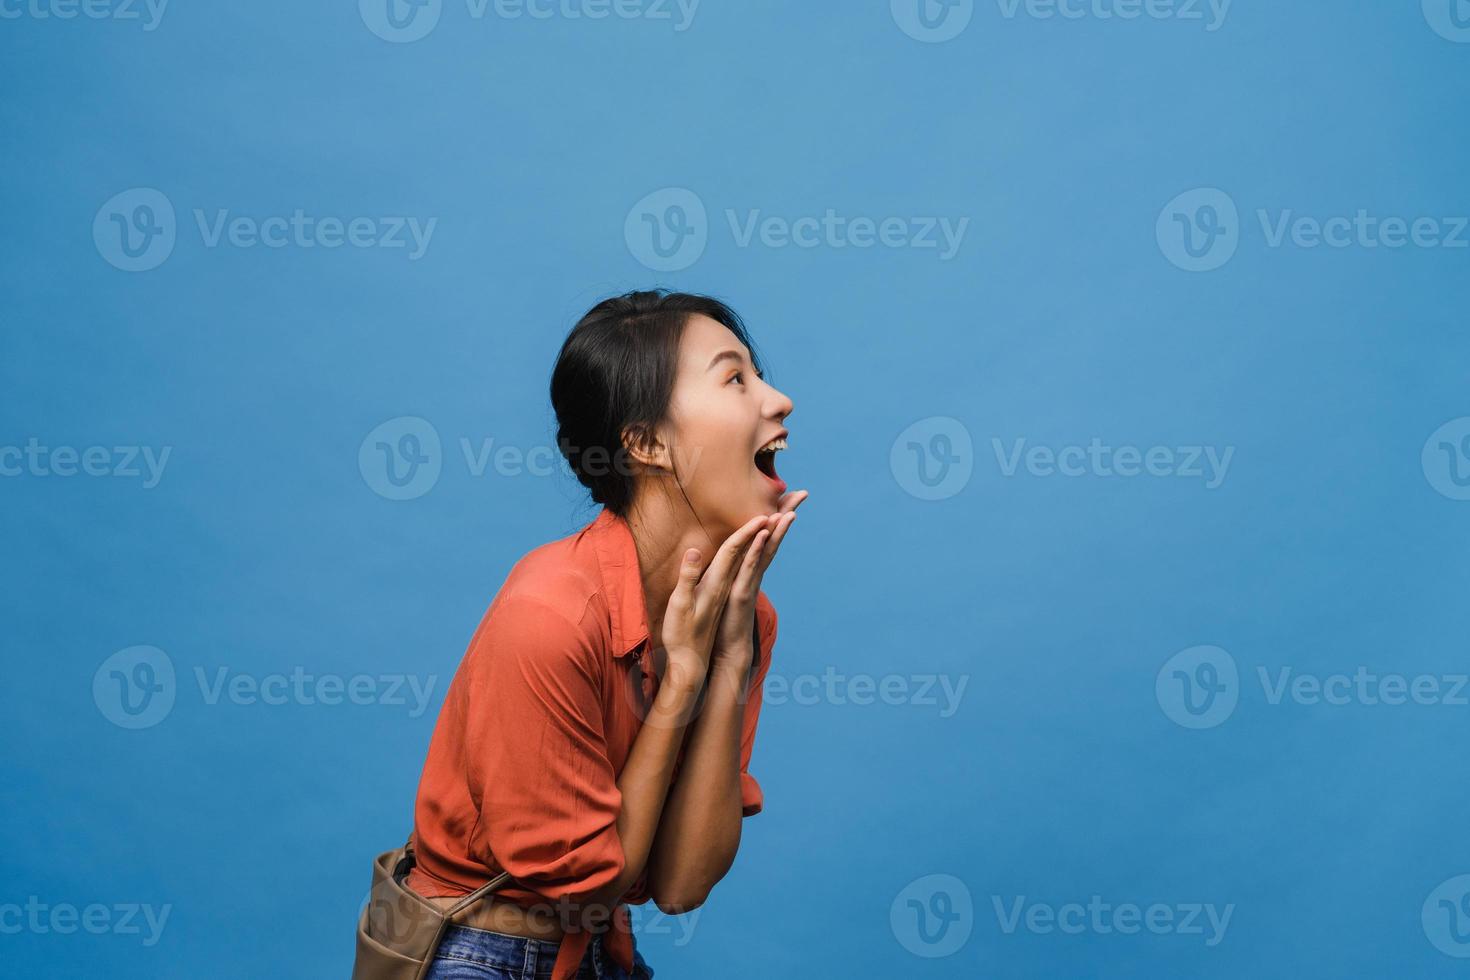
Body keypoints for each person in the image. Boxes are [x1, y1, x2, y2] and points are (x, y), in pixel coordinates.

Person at [406, 289, 808, 979]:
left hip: (596, 955)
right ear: (647, 443)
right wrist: (681, 682)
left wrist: (730, 656)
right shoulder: (550, 616)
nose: (779, 400)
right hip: (479, 954)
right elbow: (584, 890)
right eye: (735, 378)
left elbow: (682, 887)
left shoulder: (745, 619)